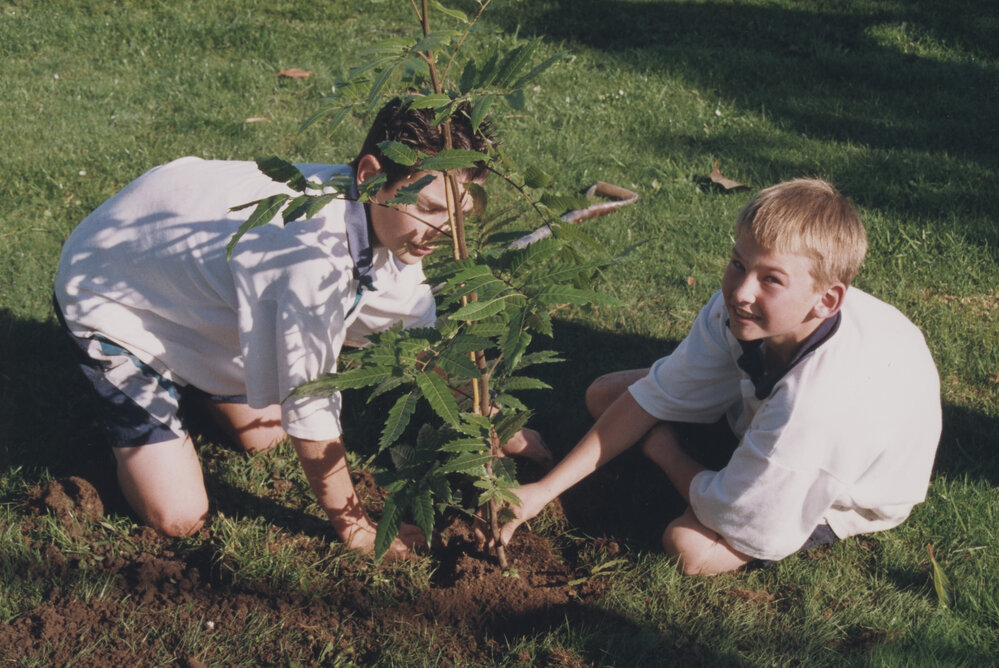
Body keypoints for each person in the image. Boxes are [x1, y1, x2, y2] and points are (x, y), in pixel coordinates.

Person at [54, 98, 546, 559]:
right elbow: (310, 404)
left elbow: (419, 339)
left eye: (458, 216)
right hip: (114, 292)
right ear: (372, 176)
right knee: (179, 517)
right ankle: (137, 385)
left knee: (264, 438)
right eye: (432, 210)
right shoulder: (308, 259)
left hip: (186, 277)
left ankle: (199, 377)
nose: (444, 234)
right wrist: (355, 527)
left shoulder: (387, 221)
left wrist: (492, 418)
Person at [500, 179, 942, 574]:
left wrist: (663, 450)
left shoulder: (814, 409)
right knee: (606, 395)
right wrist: (543, 489)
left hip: (847, 489)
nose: (741, 291)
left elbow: (738, 515)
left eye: (771, 279)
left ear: (826, 301)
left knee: (690, 547)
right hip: (781, 420)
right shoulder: (743, 313)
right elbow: (648, 397)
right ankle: (727, 448)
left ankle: (682, 451)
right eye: (737, 264)